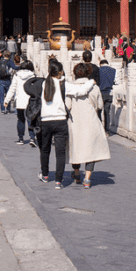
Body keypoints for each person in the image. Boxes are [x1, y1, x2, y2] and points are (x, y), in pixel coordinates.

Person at [37, 58, 95, 189]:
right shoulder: (63, 85)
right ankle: (58, 181)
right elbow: (81, 91)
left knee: (45, 150)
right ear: (61, 72)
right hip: (60, 121)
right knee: (60, 153)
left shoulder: (44, 84)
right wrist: (91, 81)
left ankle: (45, 175)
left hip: (45, 121)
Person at [67, 64, 110, 189]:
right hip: (91, 121)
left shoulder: (70, 88)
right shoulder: (94, 88)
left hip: (75, 122)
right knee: (90, 150)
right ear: (88, 73)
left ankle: (76, 174)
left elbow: (68, 105)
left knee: (75, 148)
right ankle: (87, 179)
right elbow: (100, 105)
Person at [4, 57, 37, 146]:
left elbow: (12, 88)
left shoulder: (17, 75)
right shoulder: (33, 76)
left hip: (19, 102)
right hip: (30, 101)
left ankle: (21, 138)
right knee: (30, 120)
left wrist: (7, 100)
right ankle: (32, 137)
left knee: (21, 120)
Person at [0, 49, 17, 114]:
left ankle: (3, 110)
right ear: (9, 55)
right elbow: (15, 68)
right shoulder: (10, 61)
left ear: (3, 55)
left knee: (1, 96)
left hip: (0, 80)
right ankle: (9, 108)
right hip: (8, 80)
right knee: (8, 95)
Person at [98, 60, 116, 128]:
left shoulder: (99, 70)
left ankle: (100, 129)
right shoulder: (113, 70)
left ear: (100, 64)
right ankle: (107, 130)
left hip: (100, 92)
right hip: (109, 93)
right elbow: (116, 82)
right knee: (107, 112)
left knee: (98, 111)